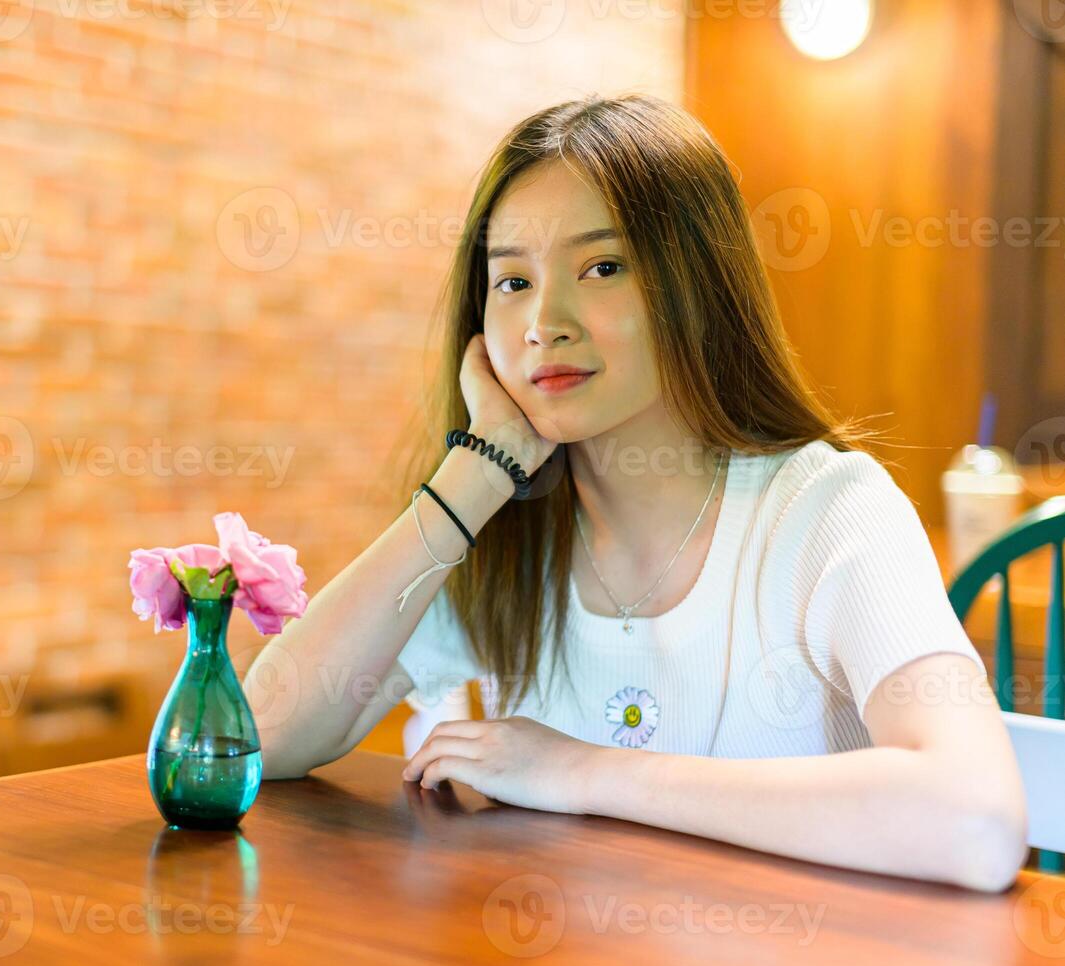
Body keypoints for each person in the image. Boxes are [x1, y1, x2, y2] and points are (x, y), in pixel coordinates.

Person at [242, 94, 1027, 893]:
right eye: (511, 280)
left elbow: (975, 821)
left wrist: (583, 771)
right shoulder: (508, 530)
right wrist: (474, 474)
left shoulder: (828, 509)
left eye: (602, 268)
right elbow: (254, 741)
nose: (544, 321)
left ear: (698, 288)